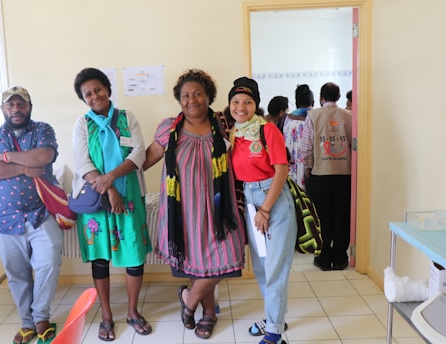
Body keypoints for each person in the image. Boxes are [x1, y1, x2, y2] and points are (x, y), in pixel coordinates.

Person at [144, 68, 246, 340]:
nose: (192, 100)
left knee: (227, 257)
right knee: (198, 264)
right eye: (185, 95)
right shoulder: (169, 127)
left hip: (219, 209)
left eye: (198, 93)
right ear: (179, 99)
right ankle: (209, 313)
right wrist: (116, 176)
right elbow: (147, 158)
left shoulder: (224, 123)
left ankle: (189, 299)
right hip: (184, 211)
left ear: (208, 96)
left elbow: (246, 153)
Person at [71, 68, 152, 341]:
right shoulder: (82, 124)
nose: (94, 96)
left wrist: (113, 179)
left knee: (134, 254)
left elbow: (139, 152)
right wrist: (108, 191)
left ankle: (132, 311)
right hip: (97, 200)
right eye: (88, 94)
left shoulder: (128, 118)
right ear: (84, 99)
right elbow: (83, 163)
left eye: (98, 89)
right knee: (100, 257)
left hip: (129, 195)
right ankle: (106, 315)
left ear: (108, 89)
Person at [0, 86, 63, 344]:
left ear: (29, 106)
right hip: (5, 217)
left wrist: (7, 158)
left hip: (41, 213)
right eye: (10, 105)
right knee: (17, 273)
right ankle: (27, 322)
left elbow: (44, 156)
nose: (16, 109)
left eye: (21, 104)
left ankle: (41, 316)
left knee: (49, 263)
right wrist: (25, 170)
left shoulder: (42, 130)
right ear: (3, 108)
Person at [227, 77, 297, 344]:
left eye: (247, 102)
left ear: (255, 105)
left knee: (276, 268)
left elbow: (282, 169)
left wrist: (265, 209)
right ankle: (274, 318)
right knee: (262, 268)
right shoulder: (235, 133)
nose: (240, 106)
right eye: (235, 101)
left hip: (273, 199)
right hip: (250, 200)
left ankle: (275, 334)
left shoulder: (267, 130)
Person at [301, 82, 352, 271]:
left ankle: (324, 258)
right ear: (338, 97)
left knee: (321, 218)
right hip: (344, 175)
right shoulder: (349, 116)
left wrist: (308, 169)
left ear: (321, 97)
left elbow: (306, 147)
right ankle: (340, 258)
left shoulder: (313, 116)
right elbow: (354, 145)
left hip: (320, 175)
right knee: (342, 216)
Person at [278, 84, 314, 189]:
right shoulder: (315, 119)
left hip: (290, 170)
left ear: (296, 102)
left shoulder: (285, 120)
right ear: (312, 102)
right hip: (311, 170)